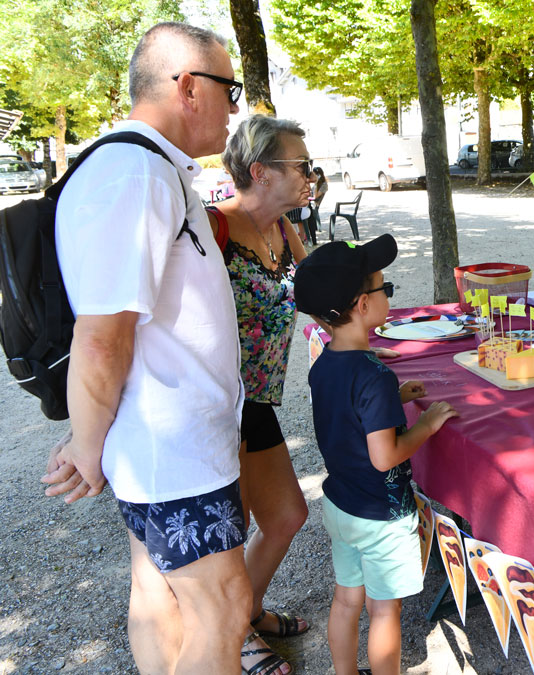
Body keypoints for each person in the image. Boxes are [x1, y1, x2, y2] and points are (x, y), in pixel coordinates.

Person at [42, 22, 250, 674]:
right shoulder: (134, 173)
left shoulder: (145, 168)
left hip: (165, 446)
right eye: (229, 89)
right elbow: (102, 337)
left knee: (160, 595)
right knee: (223, 607)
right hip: (172, 450)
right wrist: (86, 444)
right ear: (187, 86)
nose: (235, 107)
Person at [293, 235, 459, 675]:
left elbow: (347, 412)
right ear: (363, 305)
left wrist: (394, 399)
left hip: (341, 505)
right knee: (385, 610)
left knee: (347, 599)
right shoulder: (374, 376)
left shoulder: (325, 363)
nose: (390, 295)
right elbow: (385, 457)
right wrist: (426, 425)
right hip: (381, 516)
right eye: (386, 288)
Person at [207, 114, 313, 674]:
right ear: (260, 171)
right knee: (228, 533)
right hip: (218, 406)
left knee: (287, 516)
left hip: (259, 402)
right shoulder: (213, 229)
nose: (310, 176)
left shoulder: (283, 229)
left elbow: (318, 293)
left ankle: (246, 612)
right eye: (301, 166)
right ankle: (235, 634)